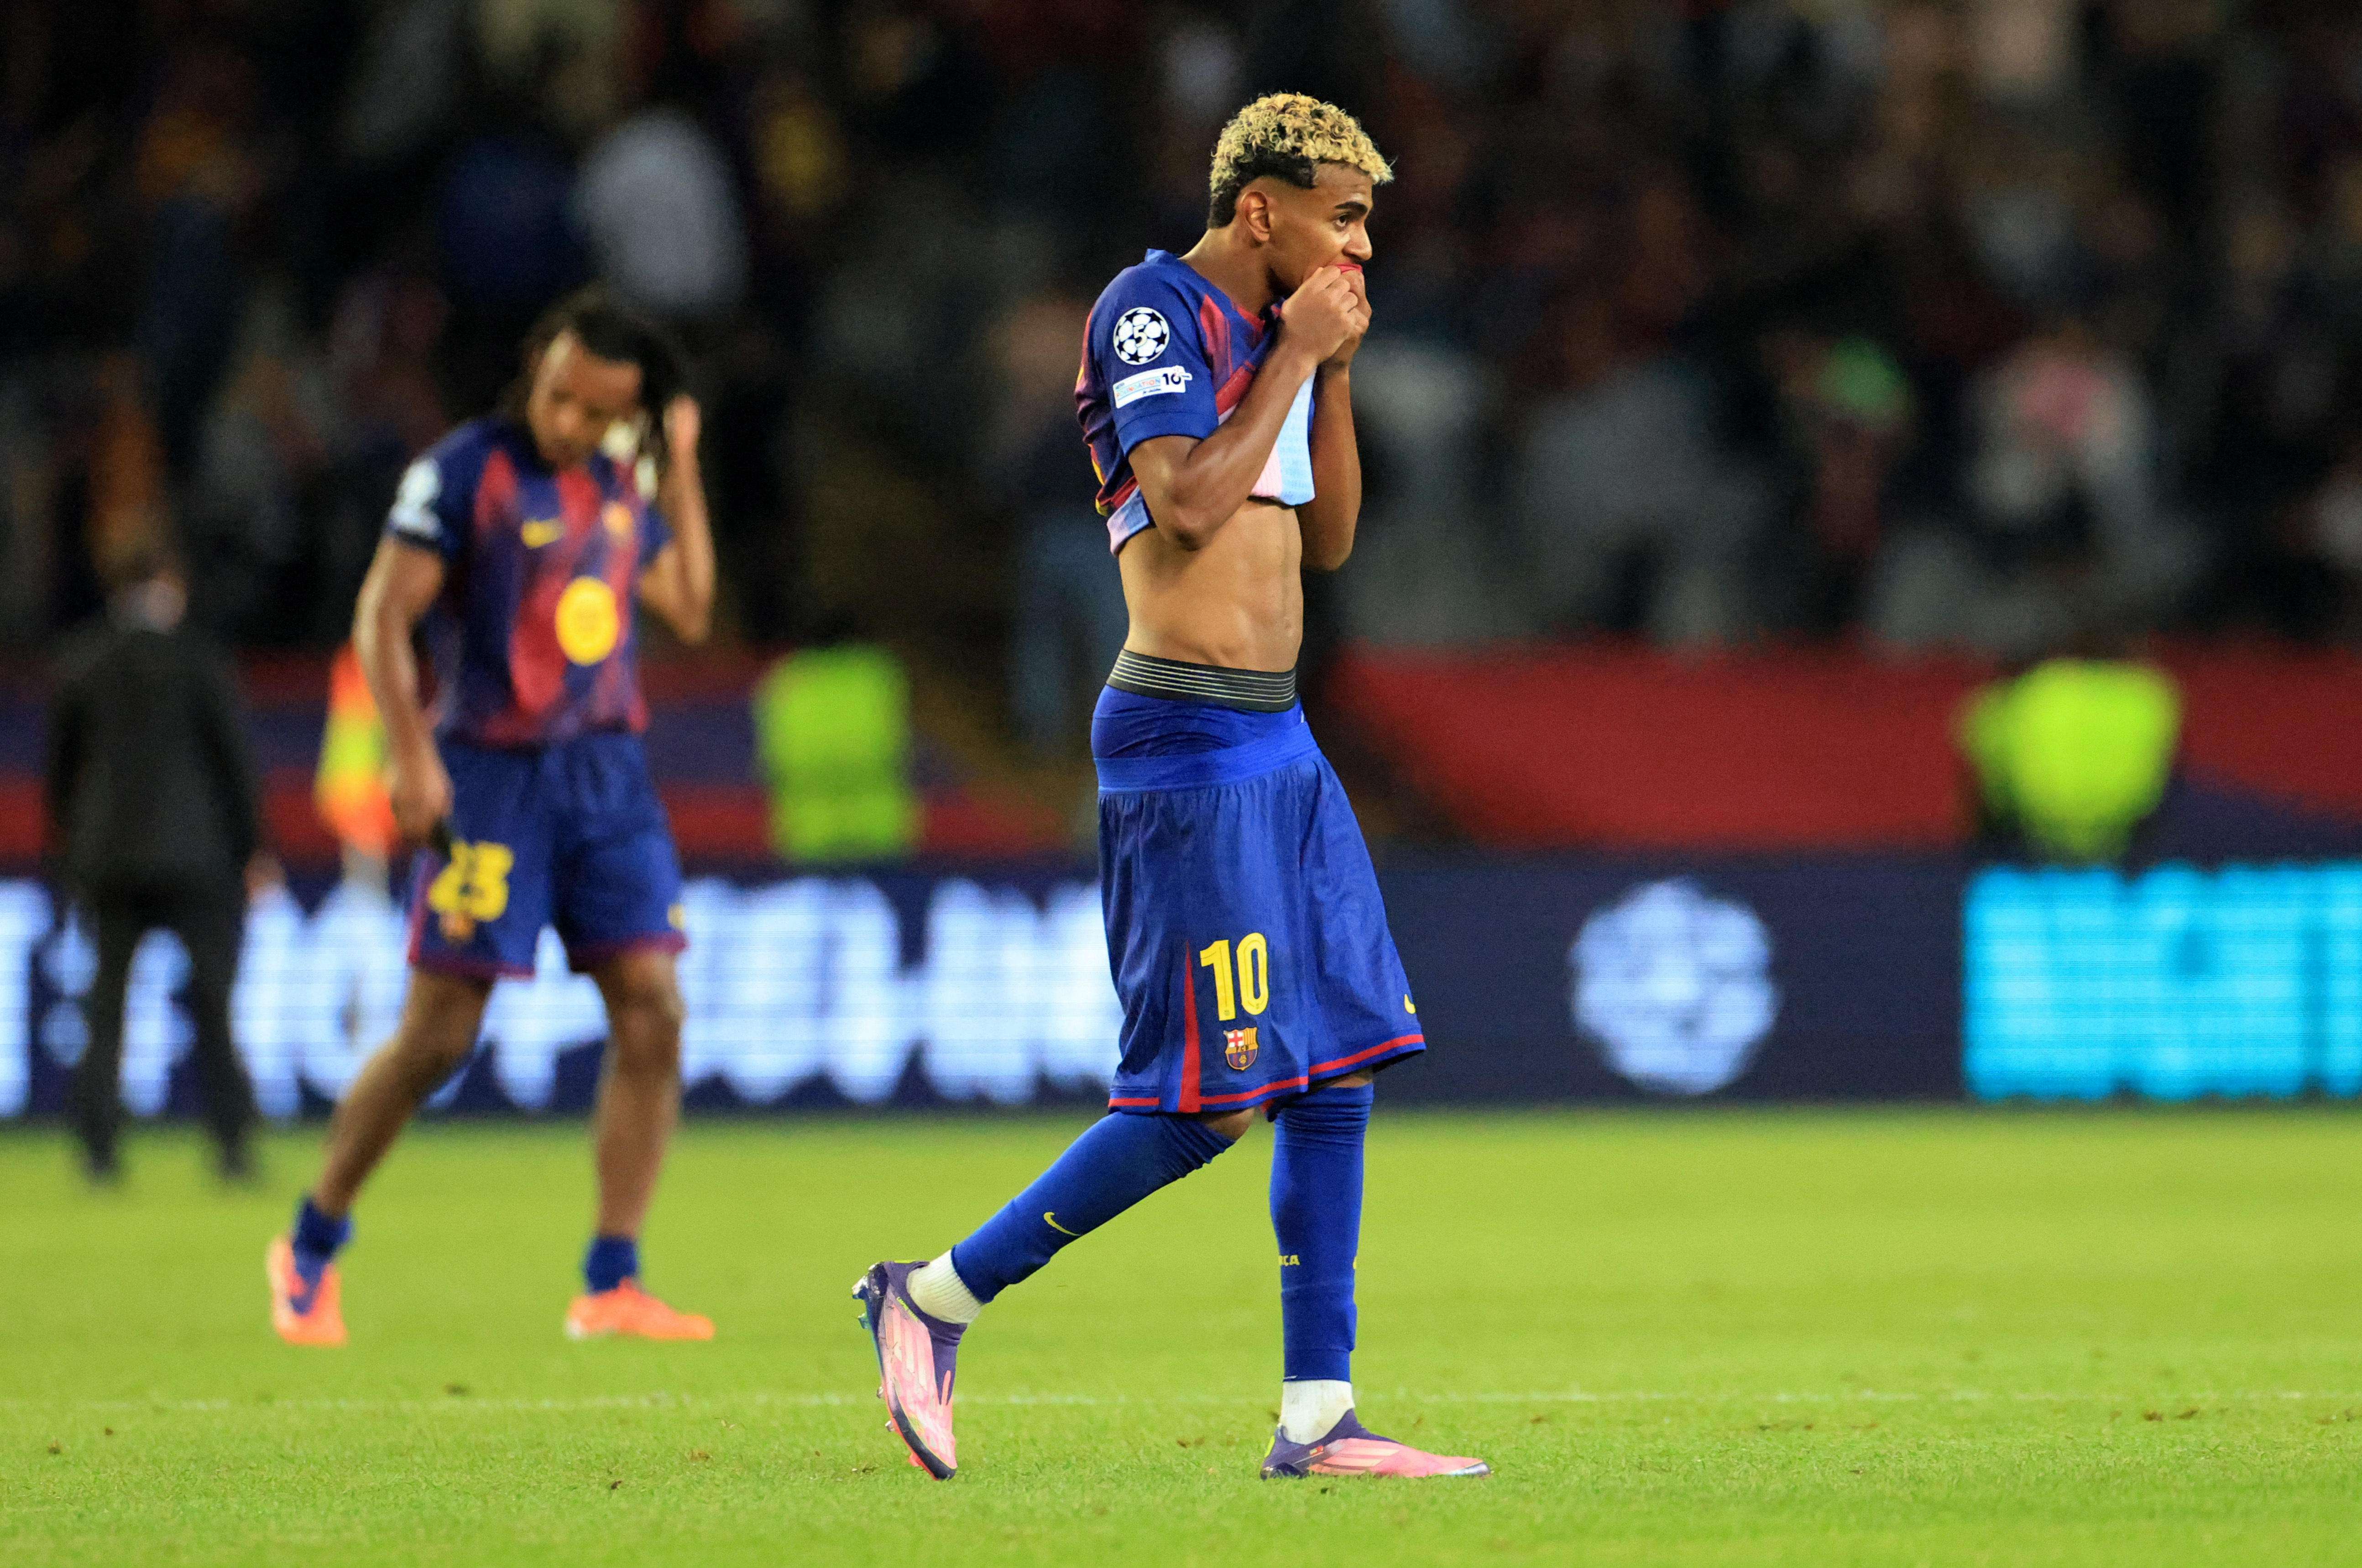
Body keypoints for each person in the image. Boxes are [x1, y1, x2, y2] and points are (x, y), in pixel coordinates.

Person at [853, 94, 1488, 1483]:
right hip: (1184, 740)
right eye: (1341, 216)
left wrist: (1331, 373)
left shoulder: (1277, 340)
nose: (1359, 246)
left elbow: (1330, 541)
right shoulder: (1150, 313)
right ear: (1259, 209)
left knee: (1338, 1066)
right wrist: (1297, 355)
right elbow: (1190, 504)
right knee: (1203, 1103)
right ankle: (935, 1295)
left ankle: (1318, 1415)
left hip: (1281, 739)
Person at [266, 287, 718, 1347]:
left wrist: (682, 462)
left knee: (653, 1008)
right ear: (537, 366)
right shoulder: (464, 470)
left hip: (606, 774)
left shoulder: (623, 479)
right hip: (489, 776)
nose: (569, 421)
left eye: (598, 411)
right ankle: (311, 1238)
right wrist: (409, 753)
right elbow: (383, 612)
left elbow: (690, 606)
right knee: (440, 1035)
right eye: (560, 396)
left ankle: (611, 1278)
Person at [45, 547, 269, 1182]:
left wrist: (69, 850)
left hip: (109, 858)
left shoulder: (82, 659)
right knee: (212, 1004)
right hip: (195, 857)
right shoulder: (199, 658)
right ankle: (231, 1143)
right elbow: (234, 763)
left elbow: (61, 771)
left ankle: (97, 1147)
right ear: (170, 584)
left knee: (106, 1006)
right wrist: (252, 850)